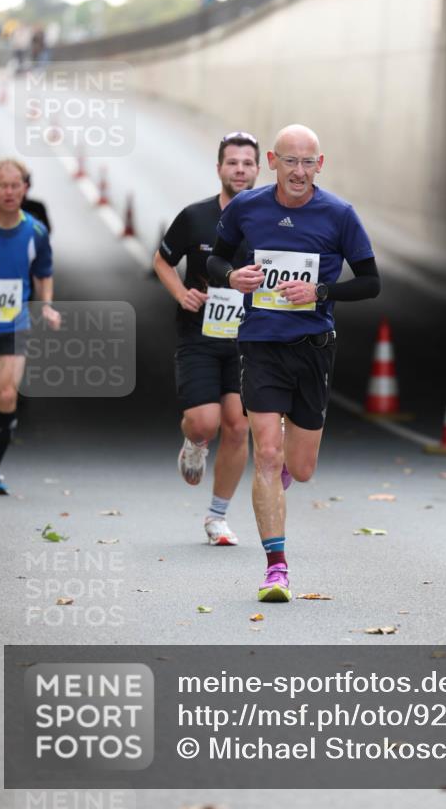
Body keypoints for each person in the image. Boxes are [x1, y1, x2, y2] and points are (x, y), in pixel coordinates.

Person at [208, 124, 381, 601]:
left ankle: (285, 469)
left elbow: (371, 282)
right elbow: (215, 261)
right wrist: (232, 275)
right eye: (290, 161)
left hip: (313, 347)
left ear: (319, 165)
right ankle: (276, 569)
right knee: (265, 452)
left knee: (300, 468)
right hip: (261, 344)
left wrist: (321, 291)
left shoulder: (339, 215)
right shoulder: (247, 207)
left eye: (308, 162)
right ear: (272, 161)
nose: (299, 172)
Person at [153, 132, 261, 545]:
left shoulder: (268, 220)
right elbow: (162, 261)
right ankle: (193, 441)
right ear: (219, 169)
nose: (239, 169)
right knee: (205, 423)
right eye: (232, 162)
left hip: (248, 340)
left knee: (237, 426)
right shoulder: (195, 217)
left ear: (257, 170)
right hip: (199, 333)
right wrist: (181, 293)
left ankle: (217, 517)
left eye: (247, 163)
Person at [0, 159, 61, 495]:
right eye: (4, 185)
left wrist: (46, 306)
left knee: (5, 395)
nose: (10, 192)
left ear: (25, 189)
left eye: (17, 185)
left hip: (14, 327)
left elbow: (43, 273)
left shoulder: (35, 232)